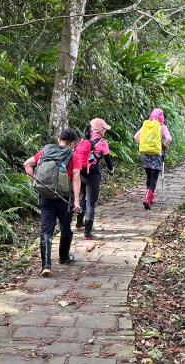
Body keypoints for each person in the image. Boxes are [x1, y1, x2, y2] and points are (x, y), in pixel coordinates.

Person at [23, 128, 82, 277]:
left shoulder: (45, 152)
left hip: (45, 197)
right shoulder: (74, 156)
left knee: (46, 231)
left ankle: (46, 266)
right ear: (73, 143)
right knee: (65, 229)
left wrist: (34, 184)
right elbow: (76, 178)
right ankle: (64, 257)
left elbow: (27, 164)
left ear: (59, 140)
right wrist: (76, 201)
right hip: (64, 199)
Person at [74, 117, 116, 240]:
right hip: (92, 175)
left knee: (84, 198)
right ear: (100, 130)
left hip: (80, 174)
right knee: (90, 203)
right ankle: (87, 233)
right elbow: (108, 161)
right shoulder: (102, 143)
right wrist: (111, 170)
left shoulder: (84, 139)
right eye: (104, 129)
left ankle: (79, 223)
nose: (105, 131)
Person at [134, 108, 171, 210]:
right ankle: (147, 198)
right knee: (154, 177)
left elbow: (136, 137)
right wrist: (163, 145)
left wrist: (144, 144)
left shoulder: (146, 125)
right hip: (156, 154)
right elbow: (168, 138)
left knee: (149, 176)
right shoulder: (162, 126)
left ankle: (151, 198)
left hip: (145, 154)